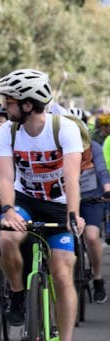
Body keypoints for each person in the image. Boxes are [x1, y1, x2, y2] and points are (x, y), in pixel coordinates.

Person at [0, 69, 83, 341]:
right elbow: (5, 177)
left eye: (10, 99)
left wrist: (73, 215)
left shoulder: (64, 129)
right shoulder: (7, 131)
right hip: (25, 200)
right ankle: (18, 294)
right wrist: (6, 210)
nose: (5, 104)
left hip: (58, 206)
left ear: (28, 104)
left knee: (61, 271)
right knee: (5, 239)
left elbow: (72, 178)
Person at [70, 107, 110, 304]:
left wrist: (107, 189)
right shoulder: (60, 146)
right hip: (68, 201)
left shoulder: (94, 147)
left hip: (92, 199)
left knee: (93, 238)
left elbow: (102, 171)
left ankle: (98, 278)